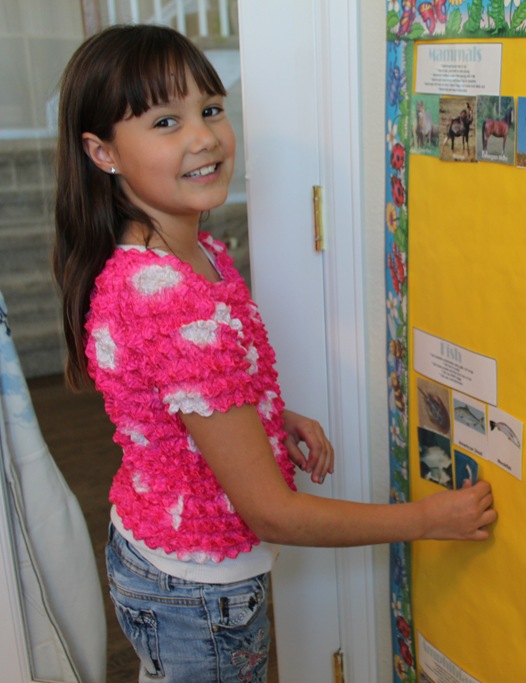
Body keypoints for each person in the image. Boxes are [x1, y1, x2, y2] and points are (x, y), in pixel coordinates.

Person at [53, 24, 496, 682]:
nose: (203, 137)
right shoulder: (173, 302)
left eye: (210, 109)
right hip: (197, 596)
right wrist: (430, 518)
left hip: (153, 554)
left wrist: (266, 417)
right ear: (102, 152)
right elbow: (272, 513)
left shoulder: (180, 253)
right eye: (165, 121)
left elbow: (179, 399)